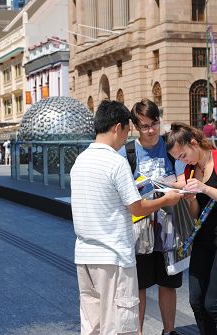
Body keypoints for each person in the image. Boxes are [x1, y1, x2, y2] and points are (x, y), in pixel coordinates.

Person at [70, 100, 183, 335]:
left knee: (92, 325)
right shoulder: (117, 161)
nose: (126, 137)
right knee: (119, 325)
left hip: (84, 256)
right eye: (130, 130)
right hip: (113, 257)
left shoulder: (80, 161)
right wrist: (165, 200)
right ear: (118, 127)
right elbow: (138, 208)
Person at [166, 122, 217, 335]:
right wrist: (191, 199)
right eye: (178, 159)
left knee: (214, 303)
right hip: (203, 238)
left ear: (193, 143)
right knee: (196, 300)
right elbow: (196, 215)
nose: (183, 161)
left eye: (183, 155)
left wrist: (205, 188)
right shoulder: (190, 169)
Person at [121, 99, 185, 335]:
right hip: (139, 229)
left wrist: (172, 186)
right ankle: (137, 331)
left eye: (154, 124)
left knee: (168, 283)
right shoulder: (128, 152)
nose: (150, 131)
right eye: (145, 126)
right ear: (136, 127)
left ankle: (169, 331)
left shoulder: (170, 146)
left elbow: (182, 180)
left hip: (169, 228)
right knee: (139, 285)